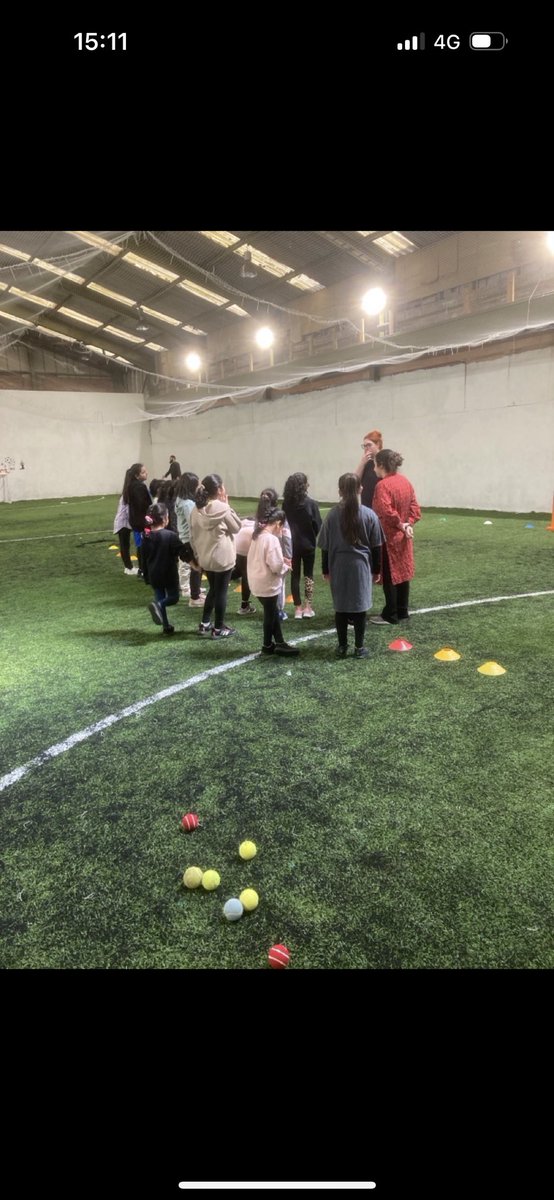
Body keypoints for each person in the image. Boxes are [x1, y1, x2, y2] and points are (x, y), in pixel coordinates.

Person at [318, 473, 384, 658]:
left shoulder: (331, 515)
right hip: (361, 568)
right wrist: (377, 570)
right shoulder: (369, 515)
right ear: (360, 489)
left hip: (338, 566)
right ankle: (359, 647)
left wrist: (326, 569)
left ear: (339, 491)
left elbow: (324, 545)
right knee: (359, 608)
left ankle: (341, 646)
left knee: (341, 607)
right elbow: (376, 546)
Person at [371, 450, 421, 625]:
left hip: (389, 536)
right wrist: (408, 524)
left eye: (375, 464)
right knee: (403, 574)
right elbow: (415, 508)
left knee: (390, 574)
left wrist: (400, 525)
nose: (374, 468)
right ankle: (402, 611)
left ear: (382, 465)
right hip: (404, 536)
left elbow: (385, 511)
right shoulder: (405, 481)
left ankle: (390, 614)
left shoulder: (382, 486)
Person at [189, 474, 242, 640]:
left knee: (213, 589)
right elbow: (236, 527)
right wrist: (228, 506)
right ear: (219, 489)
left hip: (205, 557)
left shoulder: (195, 508)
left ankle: (205, 623)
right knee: (221, 592)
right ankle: (219, 627)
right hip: (222, 557)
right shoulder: (221, 507)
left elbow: (192, 534)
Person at [247, 507, 299, 657]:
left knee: (273, 612)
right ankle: (267, 645)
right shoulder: (271, 539)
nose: (282, 531)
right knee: (270, 614)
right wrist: (286, 566)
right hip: (267, 583)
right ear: (278, 524)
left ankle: (280, 642)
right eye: (282, 527)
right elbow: (275, 566)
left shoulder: (257, 536)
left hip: (256, 581)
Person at [141, 502, 194, 635]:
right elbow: (183, 553)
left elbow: (143, 558)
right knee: (173, 598)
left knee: (159, 598)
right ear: (165, 519)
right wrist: (194, 563)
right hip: (168, 574)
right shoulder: (170, 536)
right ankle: (158, 606)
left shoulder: (146, 536)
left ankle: (166, 627)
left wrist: (146, 575)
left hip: (154, 574)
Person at [282, 472, 322, 619]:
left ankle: (297, 608)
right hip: (308, 544)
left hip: (292, 546)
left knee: (295, 576)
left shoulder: (286, 504)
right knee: (308, 576)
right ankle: (308, 607)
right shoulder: (311, 504)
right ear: (303, 486)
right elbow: (318, 525)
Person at [175, 472, 205, 606]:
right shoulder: (187, 504)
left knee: (196, 566)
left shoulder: (181, 499)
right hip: (189, 539)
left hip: (186, 537)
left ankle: (196, 591)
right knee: (196, 567)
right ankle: (194, 597)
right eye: (197, 485)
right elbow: (193, 522)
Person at [123, 463, 151, 579]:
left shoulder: (130, 485)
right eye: (143, 472)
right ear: (137, 475)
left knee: (140, 544)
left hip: (135, 521)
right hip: (141, 522)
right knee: (144, 545)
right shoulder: (139, 486)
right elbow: (143, 504)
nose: (146, 473)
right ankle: (144, 569)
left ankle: (142, 569)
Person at [353, 429, 383, 508]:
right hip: (366, 504)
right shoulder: (366, 462)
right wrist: (362, 463)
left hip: (380, 503)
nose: (366, 448)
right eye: (364, 446)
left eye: (369, 445)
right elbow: (354, 481)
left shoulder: (385, 461)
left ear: (378, 444)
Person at [112, 494, 138, 574]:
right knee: (124, 546)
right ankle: (129, 568)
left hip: (123, 523)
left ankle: (127, 567)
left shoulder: (125, 496)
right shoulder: (127, 497)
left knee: (125, 546)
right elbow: (128, 512)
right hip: (123, 524)